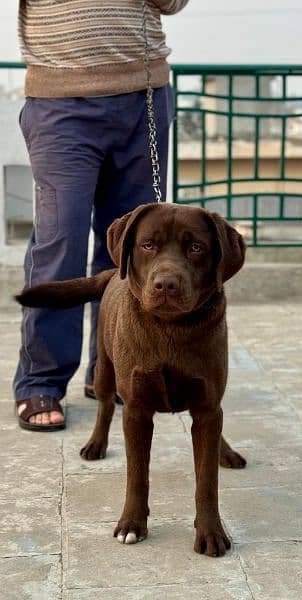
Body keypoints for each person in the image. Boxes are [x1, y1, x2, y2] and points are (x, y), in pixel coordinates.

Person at [14, 0, 189, 431]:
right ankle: (41, 381)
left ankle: (112, 371)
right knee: (60, 243)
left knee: (134, 250)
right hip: (60, 103)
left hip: (143, 97)